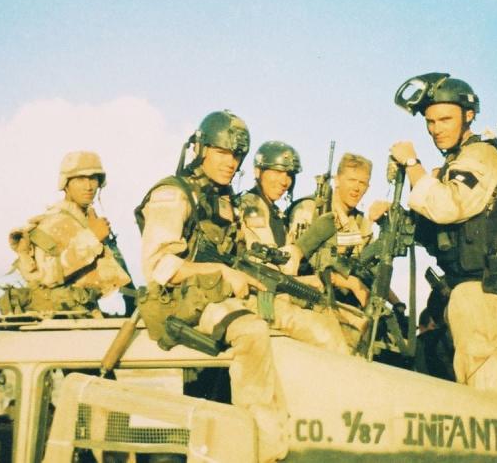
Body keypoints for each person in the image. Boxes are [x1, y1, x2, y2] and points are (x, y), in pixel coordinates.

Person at [135, 111, 288, 462]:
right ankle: (264, 445)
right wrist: (220, 271)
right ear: (202, 149)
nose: (231, 163)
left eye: (236, 156)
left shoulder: (222, 199)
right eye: (223, 152)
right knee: (251, 332)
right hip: (179, 302)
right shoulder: (172, 194)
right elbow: (158, 266)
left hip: (211, 298)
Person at [389, 72, 497, 402]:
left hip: (484, 297)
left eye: (445, 119)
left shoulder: (480, 156)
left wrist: (413, 165)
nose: (436, 129)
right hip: (466, 296)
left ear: (468, 115)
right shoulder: (455, 164)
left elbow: (447, 206)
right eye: (430, 121)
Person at [237, 141, 350, 354]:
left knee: (341, 320)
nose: (285, 181)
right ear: (258, 171)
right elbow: (268, 266)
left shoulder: (275, 213)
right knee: (328, 334)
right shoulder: (252, 207)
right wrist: (305, 251)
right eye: (278, 171)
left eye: (289, 174)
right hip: (260, 296)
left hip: (274, 292)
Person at [4, 151, 131, 317]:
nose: (88, 186)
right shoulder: (52, 223)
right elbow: (43, 277)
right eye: (80, 179)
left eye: (93, 178)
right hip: (61, 316)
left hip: (85, 312)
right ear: (66, 184)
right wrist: (92, 239)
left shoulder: (87, 220)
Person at [288, 153, 403, 310]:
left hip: (342, 301)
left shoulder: (361, 224)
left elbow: (370, 271)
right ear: (337, 180)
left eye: (362, 183)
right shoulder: (312, 210)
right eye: (351, 180)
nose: (356, 188)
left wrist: (396, 303)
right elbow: (294, 259)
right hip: (306, 294)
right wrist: (349, 282)